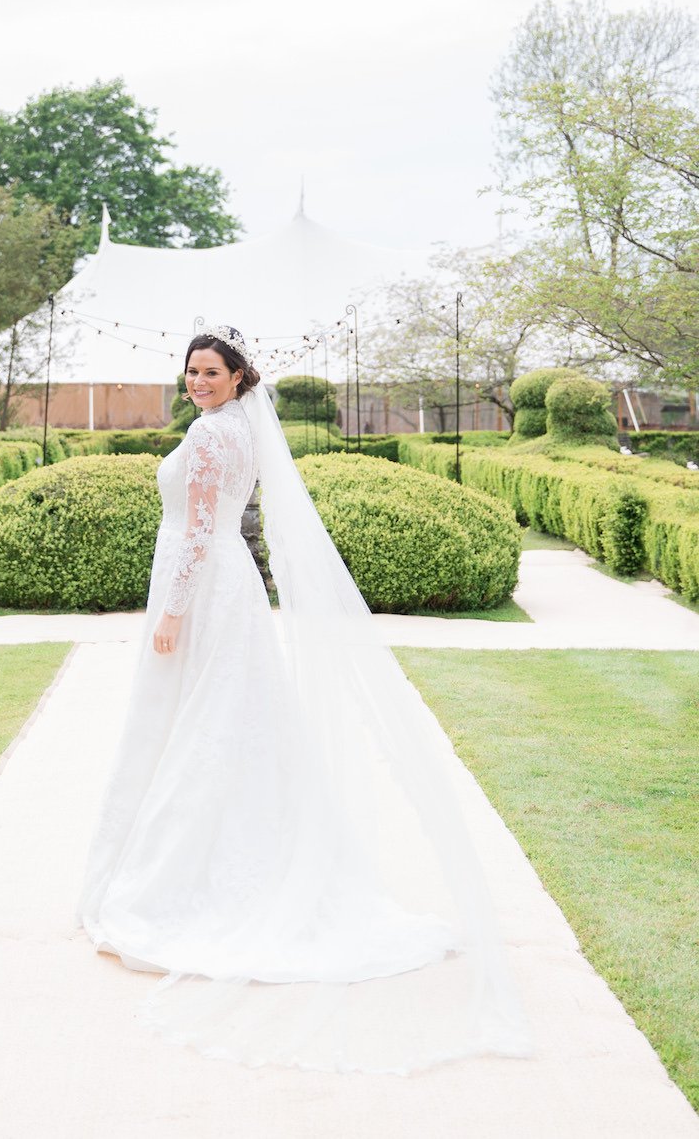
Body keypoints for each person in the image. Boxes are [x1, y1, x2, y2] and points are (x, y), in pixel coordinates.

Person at [76, 326, 531, 1074]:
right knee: (228, 721)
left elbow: (194, 530)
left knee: (205, 722)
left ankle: (185, 876)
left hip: (205, 587)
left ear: (236, 376)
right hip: (227, 584)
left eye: (211, 371)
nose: (198, 381)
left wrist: (172, 614)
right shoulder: (238, 429)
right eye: (191, 372)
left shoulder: (213, 434)